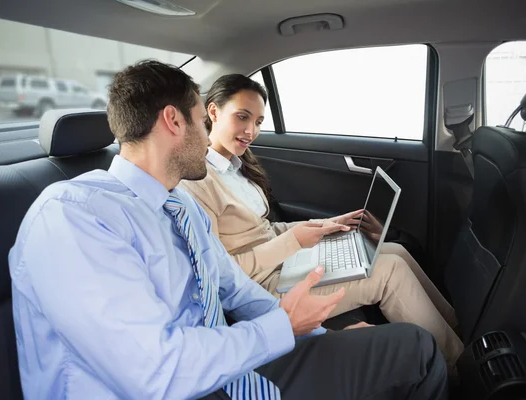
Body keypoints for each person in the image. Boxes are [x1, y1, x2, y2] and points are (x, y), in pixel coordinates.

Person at [8, 60, 448, 400]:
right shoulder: (74, 218)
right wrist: (281, 327)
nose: (209, 136)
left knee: (408, 346)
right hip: (179, 385)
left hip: (225, 367)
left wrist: (314, 331)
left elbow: (234, 289)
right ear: (173, 121)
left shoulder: (176, 203)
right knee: (420, 355)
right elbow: (157, 374)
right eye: (204, 121)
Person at [179, 73, 464, 367]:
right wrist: (293, 242)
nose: (251, 130)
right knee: (389, 271)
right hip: (262, 286)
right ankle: (459, 367)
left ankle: (458, 328)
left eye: (259, 122)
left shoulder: (238, 166)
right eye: (242, 117)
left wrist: (326, 226)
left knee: (395, 251)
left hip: (284, 263)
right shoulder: (198, 182)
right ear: (213, 112)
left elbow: (265, 229)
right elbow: (222, 273)